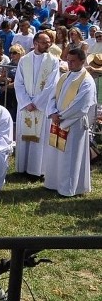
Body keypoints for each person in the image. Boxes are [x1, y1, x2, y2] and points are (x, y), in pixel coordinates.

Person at [44, 47, 95, 197]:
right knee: (56, 154)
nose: (70, 64)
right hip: (58, 120)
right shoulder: (64, 76)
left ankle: (69, 188)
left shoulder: (87, 81)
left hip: (73, 123)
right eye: (68, 60)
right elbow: (52, 96)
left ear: (82, 61)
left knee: (71, 157)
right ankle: (53, 182)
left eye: (73, 61)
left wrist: (61, 117)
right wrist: (52, 112)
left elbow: (81, 105)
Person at [14, 32, 59, 179]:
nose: (48, 45)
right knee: (25, 137)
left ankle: (36, 170)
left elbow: (52, 84)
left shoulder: (53, 61)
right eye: (44, 42)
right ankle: (23, 168)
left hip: (41, 106)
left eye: (49, 42)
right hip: (26, 105)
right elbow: (18, 83)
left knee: (40, 140)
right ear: (35, 43)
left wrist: (37, 102)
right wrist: (26, 102)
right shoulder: (24, 60)